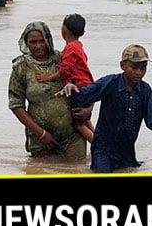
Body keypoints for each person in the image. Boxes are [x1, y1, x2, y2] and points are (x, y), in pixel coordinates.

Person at [58, 44, 152, 173]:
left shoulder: (145, 90)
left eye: (143, 68)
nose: (139, 72)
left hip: (127, 151)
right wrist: (70, 86)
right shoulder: (110, 83)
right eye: (134, 67)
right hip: (103, 150)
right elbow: (84, 96)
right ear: (123, 66)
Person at [8, 22, 91, 159]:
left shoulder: (64, 58)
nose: (38, 46)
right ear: (26, 43)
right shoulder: (21, 67)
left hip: (72, 137)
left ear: (48, 39)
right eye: (33, 42)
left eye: (42, 41)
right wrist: (41, 133)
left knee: (77, 170)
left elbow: (87, 85)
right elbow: (16, 104)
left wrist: (87, 110)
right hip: (40, 140)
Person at [36, 14, 95, 143]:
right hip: (87, 87)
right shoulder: (78, 46)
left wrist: (48, 77)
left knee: (78, 125)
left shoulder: (70, 48)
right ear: (83, 32)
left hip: (80, 88)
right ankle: (102, 143)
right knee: (85, 121)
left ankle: (99, 147)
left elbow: (65, 71)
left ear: (64, 30)